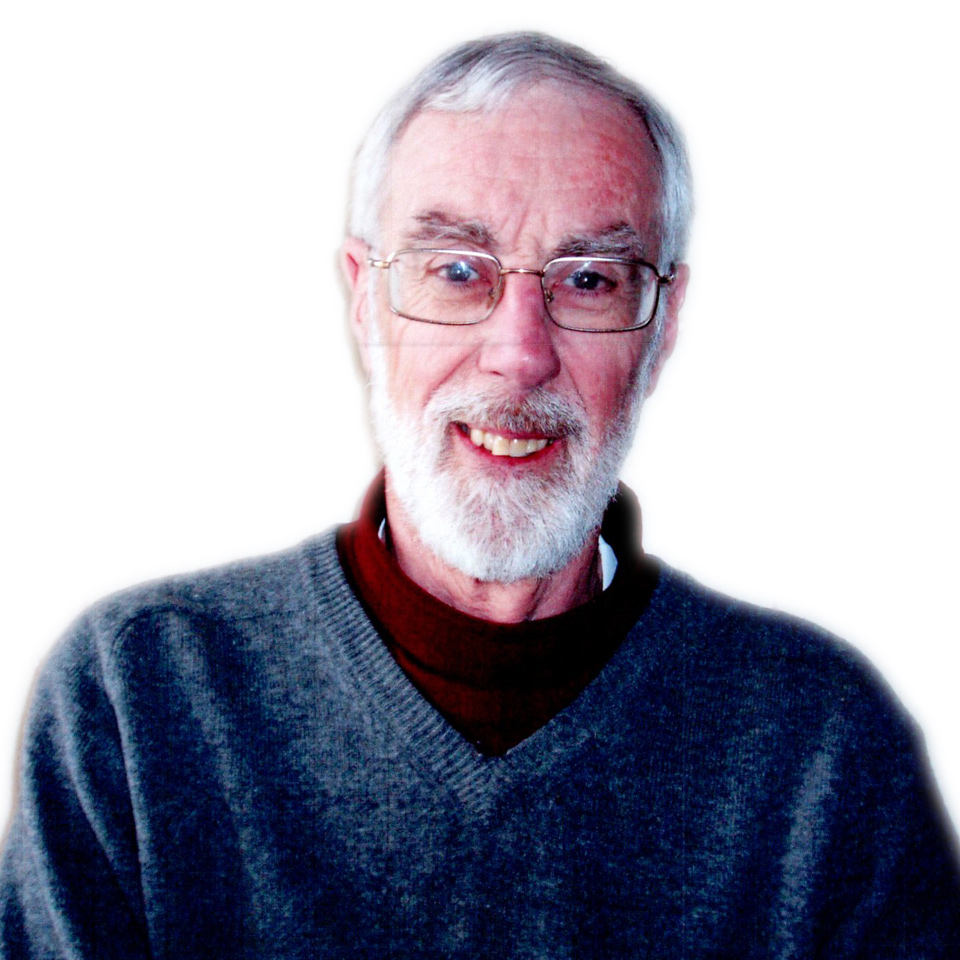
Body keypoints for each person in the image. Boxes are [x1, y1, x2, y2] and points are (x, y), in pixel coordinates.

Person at [1, 31, 958, 959]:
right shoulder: (138, 701)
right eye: (457, 271)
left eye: (588, 280)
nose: (520, 353)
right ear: (364, 300)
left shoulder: (822, 749)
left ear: (660, 333)